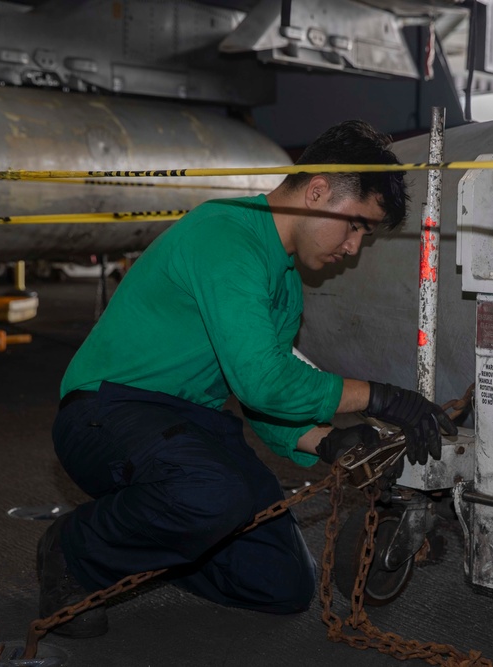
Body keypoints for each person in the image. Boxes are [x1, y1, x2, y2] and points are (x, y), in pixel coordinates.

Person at [37, 119, 456, 637]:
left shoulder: (284, 284)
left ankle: (159, 533)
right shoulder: (227, 235)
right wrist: (383, 398)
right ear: (319, 191)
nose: (353, 247)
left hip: (188, 428)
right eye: (355, 225)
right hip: (107, 414)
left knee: (280, 584)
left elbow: (262, 403)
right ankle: (76, 550)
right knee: (216, 494)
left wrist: (330, 443)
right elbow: (264, 383)